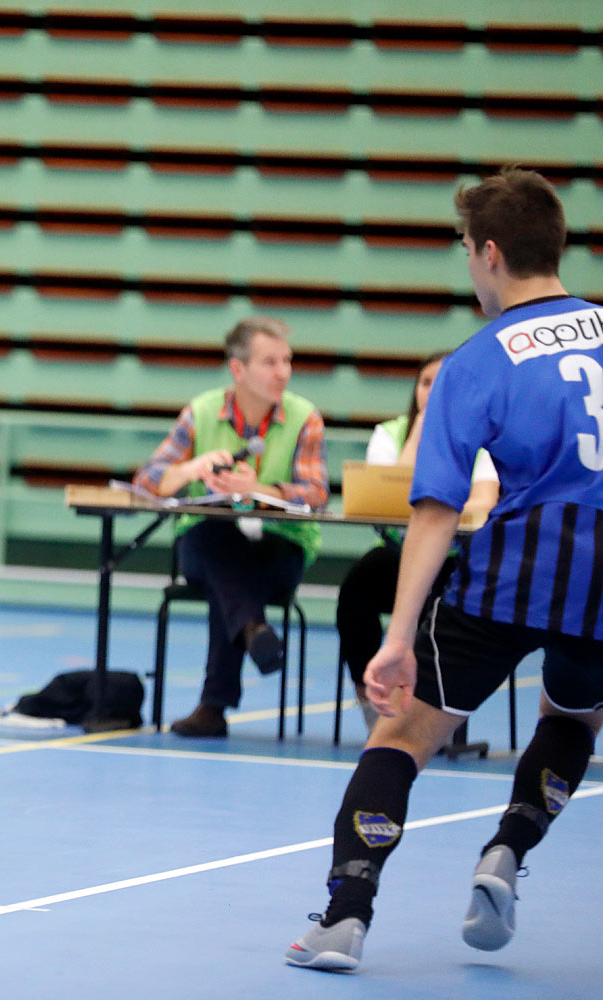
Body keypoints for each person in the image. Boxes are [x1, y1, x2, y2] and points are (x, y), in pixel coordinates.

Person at [286, 166, 602, 972]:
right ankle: (507, 850)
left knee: (403, 733)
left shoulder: (478, 358)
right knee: (571, 719)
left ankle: (345, 917)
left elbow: (433, 509)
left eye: (466, 250)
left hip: (515, 566)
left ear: (490, 254)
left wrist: (396, 637)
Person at [134, 316, 330, 737]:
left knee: (235, 579)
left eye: (287, 361)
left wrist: (256, 488)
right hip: (208, 544)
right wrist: (191, 467)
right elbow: (146, 482)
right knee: (214, 537)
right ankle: (254, 630)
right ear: (238, 369)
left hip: (279, 546)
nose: (283, 373)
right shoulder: (201, 411)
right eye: (270, 362)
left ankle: (214, 703)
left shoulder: (305, 417)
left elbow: (316, 493)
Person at [336, 352, 500, 733]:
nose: (433, 391)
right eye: (426, 383)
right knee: (357, 589)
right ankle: (371, 700)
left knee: (443, 605)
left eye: (443, 383)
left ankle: (431, 714)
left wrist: (434, 516)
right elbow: (388, 496)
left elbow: (484, 501)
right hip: (399, 552)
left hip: (458, 557)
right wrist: (421, 432)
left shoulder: (483, 437)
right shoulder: (390, 433)